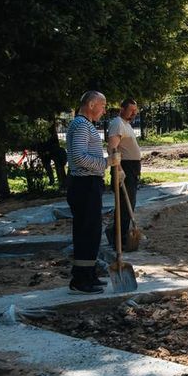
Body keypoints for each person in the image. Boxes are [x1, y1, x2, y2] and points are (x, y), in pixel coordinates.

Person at [66, 90, 115, 294]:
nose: (104, 111)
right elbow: (78, 157)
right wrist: (106, 163)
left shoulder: (85, 125)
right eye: (103, 106)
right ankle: (80, 280)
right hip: (84, 185)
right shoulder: (80, 125)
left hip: (89, 183)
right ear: (92, 104)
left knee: (92, 231)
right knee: (87, 231)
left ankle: (88, 273)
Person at [106, 98, 141, 246]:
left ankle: (119, 235)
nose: (134, 113)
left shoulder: (126, 125)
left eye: (135, 111)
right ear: (122, 109)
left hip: (131, 168)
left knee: (129, 204)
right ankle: (119, 239)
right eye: (131, 110)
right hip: (124, 168)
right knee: (125, 205)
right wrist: (118, 169)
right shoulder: (117, 123)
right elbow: (112, 148)